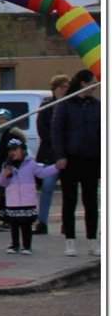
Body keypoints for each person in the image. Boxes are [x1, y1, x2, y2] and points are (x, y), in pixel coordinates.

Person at [51, 69, 101, 257]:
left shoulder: (97, 106)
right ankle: (69, 240)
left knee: (91, 201)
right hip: (70, 159)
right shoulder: (65, 105)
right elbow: (57, 132)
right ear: (83, 83)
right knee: (69, 200)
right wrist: (60, 156)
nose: (96, 86)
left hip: (92, 158)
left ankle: (93, 240)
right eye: (93, 83)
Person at [0, 133, 57, 255]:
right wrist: (4, 175)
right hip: (13, 202)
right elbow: (2, 182)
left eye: (15, 149)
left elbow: (42, 173)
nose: (12, 152)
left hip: (27, 201)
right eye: (10, 150)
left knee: (26, 225)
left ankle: (27, 246)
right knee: (14, 225)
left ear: (23, 150)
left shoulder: (31, 164)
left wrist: (56, 167)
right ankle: (15, 244)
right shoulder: (7, 165)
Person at [34, 74, 69, 236]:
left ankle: (67, 222)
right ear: (54, 89)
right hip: (50, 155)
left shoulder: (70, 105)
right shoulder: (46, 107)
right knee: (47, 188)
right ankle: (42, 222)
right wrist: (57, 143)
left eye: (67, 87)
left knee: (68, 191)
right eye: (62, 87)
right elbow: (42, 130)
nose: (64, 90)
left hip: (68, 155)